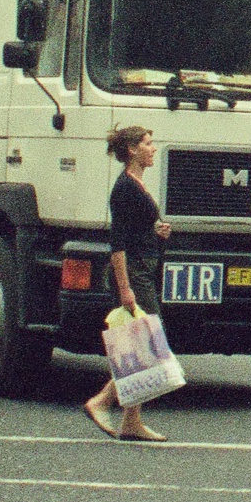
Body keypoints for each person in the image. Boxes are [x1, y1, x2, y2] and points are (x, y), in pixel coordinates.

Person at [86, 125, 174, 442]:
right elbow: (118, 245)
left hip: (143, 267)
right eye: (148, 143)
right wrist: (125, 288)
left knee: (137, 343)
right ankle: (101, 402)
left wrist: (157, 234)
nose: (153, 148)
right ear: (133, 150)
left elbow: (139, 234)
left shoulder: (137, 183)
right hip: (132, 272)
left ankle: (131, 421)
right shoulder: (125, 188)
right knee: (146, 340)